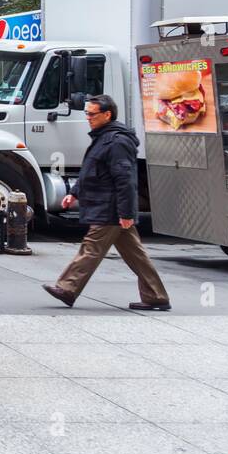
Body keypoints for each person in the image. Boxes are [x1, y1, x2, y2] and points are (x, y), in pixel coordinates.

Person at [44, 93, 171, 311]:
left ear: (107, 114)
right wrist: (74, 193)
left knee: (91, 247)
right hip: (108, 206)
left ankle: (67, 288)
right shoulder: (103, 138)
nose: (88, 118)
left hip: (111, 207)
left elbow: (125, 180)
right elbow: (92, 171)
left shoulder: (117, 141)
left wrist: (126, 213)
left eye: (92, 114)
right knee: (136, 255)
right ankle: (156, 296)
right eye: (86, 113)